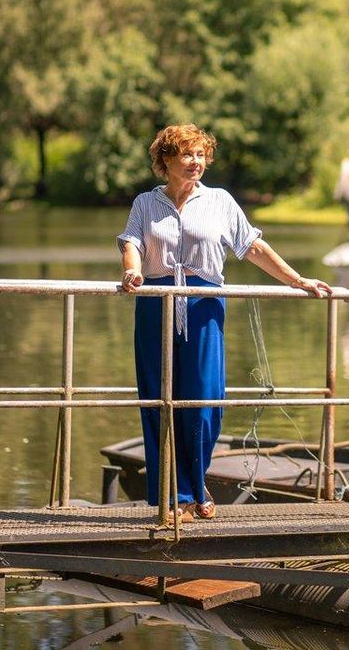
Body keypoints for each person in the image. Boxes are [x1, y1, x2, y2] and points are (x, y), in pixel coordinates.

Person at [117, 124, 332, 522]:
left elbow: (252, 245)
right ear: (166, 160)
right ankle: (174, 496)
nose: (196, 162)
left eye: (201, 155)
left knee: (204, 402)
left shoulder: (220, 201)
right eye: (187, 155)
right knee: (159, 400)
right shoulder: (145, 204)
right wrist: (132, 273)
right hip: (154, 305)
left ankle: (198, 485)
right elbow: (131, 242)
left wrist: (298, 279)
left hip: (203, 305)